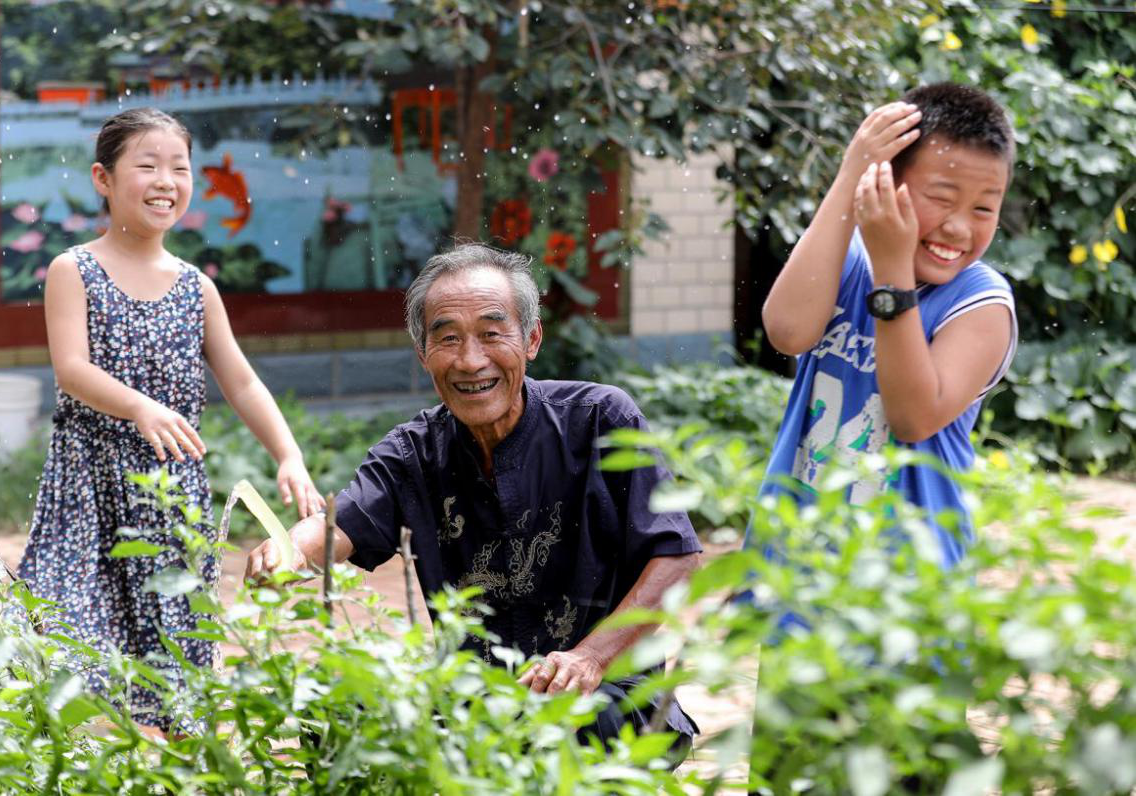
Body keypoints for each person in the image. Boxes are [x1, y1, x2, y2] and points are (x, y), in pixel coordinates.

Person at [246, 243, 701, 754]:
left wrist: (590, 657)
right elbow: (342, 523)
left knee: (567, 727)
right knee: (335, 715)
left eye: (491, 334)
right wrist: (288, 551)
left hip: (606, 691)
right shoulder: (412, 452)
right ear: (423, 354)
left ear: (531, 339)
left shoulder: (600, 419)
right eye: (448, 338)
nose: (470, 360)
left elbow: (677, 558)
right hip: (470, 699)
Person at [16, 107, 325, 733]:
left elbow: (241, 381)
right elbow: (71, 369)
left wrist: (288, 454)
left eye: (180, 168)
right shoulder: (73, 270)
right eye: (147, 165)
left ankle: (180, 756)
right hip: (87, 486)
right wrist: (139, 405)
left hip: (169, 495)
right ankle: (89, 750)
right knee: (74, 630)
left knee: (173, 642)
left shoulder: (195, 287)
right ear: (103, 179)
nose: (166, 181)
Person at [759, 83, 1018, 566]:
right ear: (883, 181)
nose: (959, 227)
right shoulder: (845, 258)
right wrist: (850, 175)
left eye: (984, 208)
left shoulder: (981, 303)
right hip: (793, 559)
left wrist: (892, 269)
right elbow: (788, 332)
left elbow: (913, 418)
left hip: (906, 579)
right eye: (941, 198)